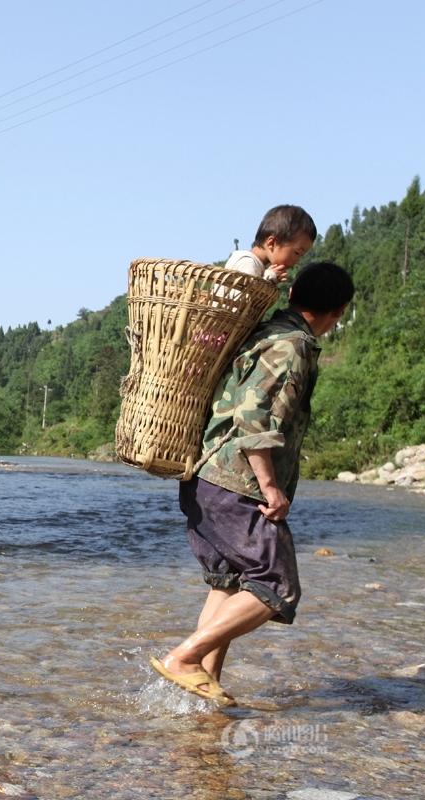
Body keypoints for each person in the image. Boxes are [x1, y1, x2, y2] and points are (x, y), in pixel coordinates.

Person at [150, 261, 355, 706]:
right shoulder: (294, 345)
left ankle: (204, 695)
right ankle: (183, 658)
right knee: (277, 586)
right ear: (336, 312)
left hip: (206, 478)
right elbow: (253, 418)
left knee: (227, 585)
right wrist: (271, 488)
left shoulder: (265, 330)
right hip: (236, 483)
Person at [225, 205, 317, 282]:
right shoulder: (247, 262)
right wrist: (270, 277)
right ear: (271, 243)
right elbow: (246, 293)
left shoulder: (259, 267)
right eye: (297, 253)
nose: (297, 261)